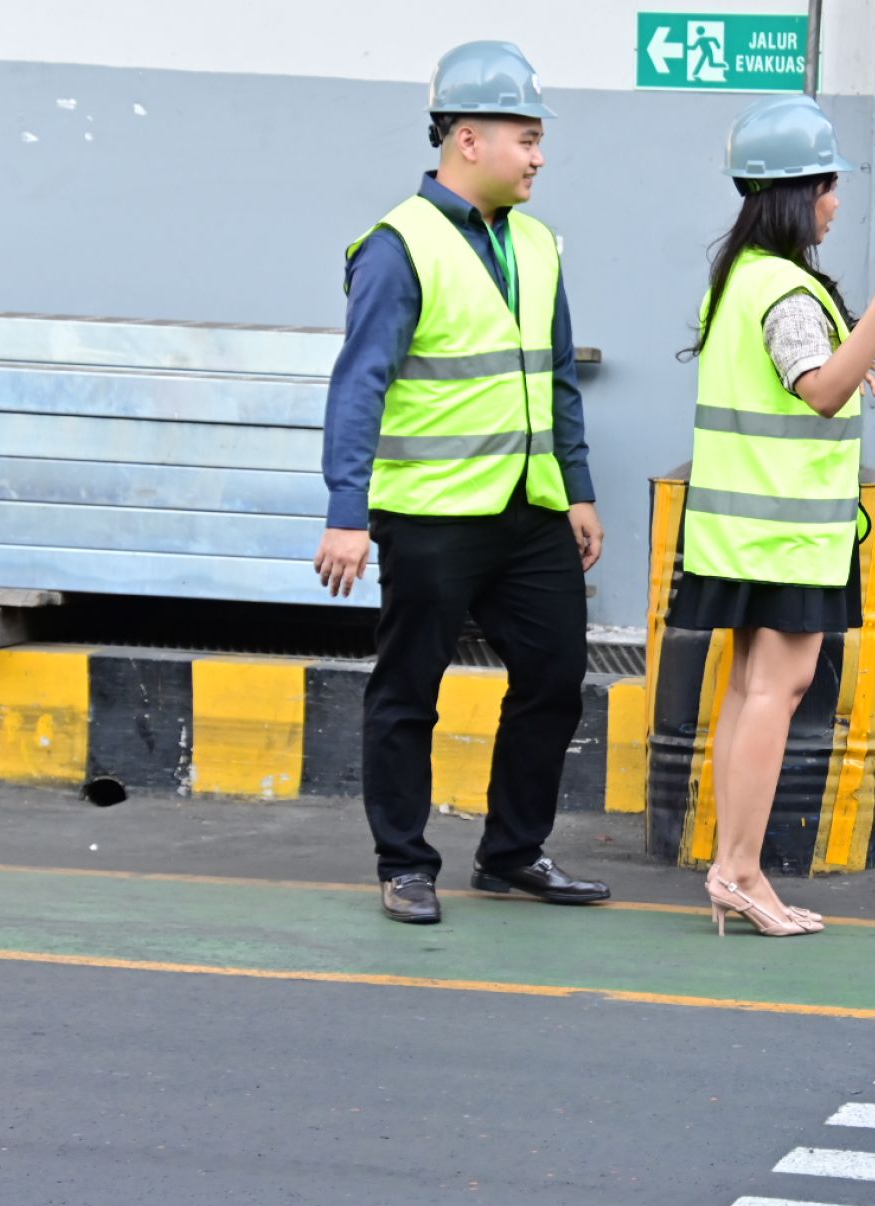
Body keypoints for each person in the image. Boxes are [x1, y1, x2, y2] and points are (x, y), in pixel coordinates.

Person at [314, 41, 611, 925]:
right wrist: (346, 512)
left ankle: (512, 852)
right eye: (527, 138)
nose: (539, 156)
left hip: (530, 509)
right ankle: (404, 862)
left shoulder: (540, 244)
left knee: (555, 676)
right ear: (468, 139)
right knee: (410, 690)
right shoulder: (397, 248)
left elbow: (557, 376)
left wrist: (579, 488)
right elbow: (359, 386)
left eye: (539, 138)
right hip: (431, 516)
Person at [676, 95, 875, 938]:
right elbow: (821, 391)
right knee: (775, 691)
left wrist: (854, 349)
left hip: (738, 529)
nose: (835, 203)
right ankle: (740, 871)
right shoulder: (787, 290)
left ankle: (733, 868)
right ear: (799, 193)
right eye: (829, 187)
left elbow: (802, 377)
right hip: (785, 534)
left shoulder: (743, 276)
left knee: (748, 690)